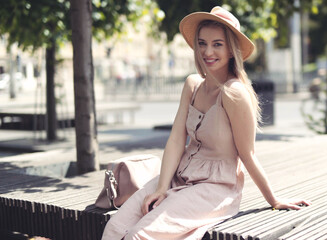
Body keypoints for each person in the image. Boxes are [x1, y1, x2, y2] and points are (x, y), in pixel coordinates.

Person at [102, 6, 311, 240]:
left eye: (217, 44)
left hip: (215, 188)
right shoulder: (192, 85)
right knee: (114, 230)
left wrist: (274, 199)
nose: (207, 51)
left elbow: (248, 154)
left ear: (232, 50)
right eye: (202, 43)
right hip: (179, 175)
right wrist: (162, 187)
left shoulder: (234, 93)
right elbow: (176, 139)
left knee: (139, 236)